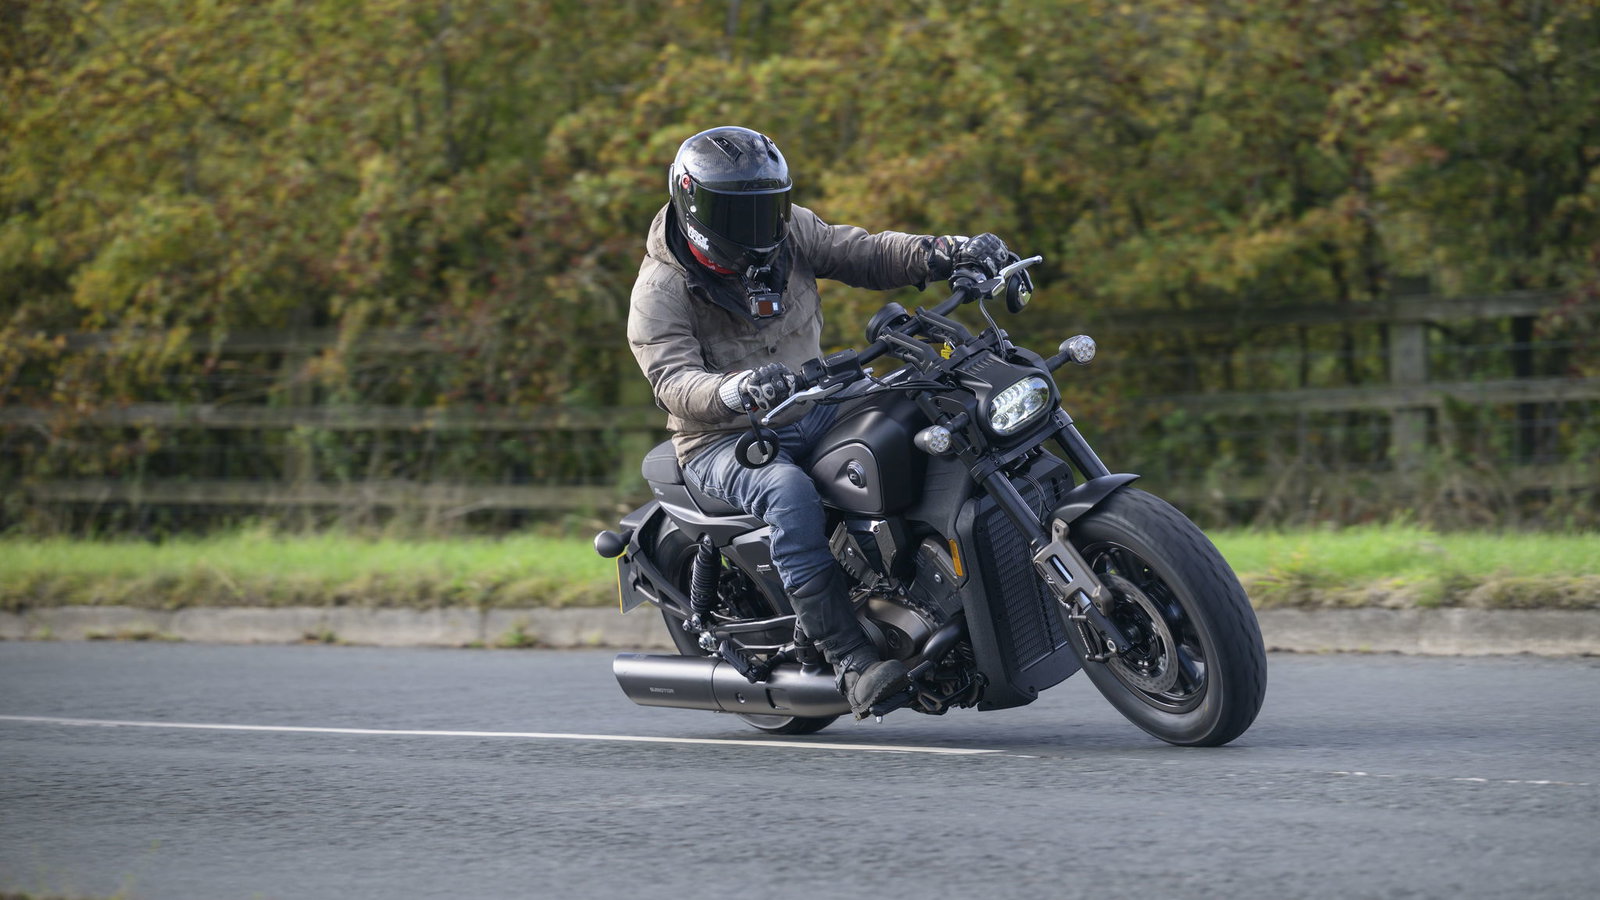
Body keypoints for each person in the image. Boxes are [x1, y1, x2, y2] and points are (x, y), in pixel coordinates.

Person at [626, 125, 1021, 718]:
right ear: (696, 208)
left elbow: (864, 252)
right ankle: (851, 658)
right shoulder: (661, 289)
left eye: (768, 207)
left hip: (813, 400)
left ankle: (936, 581)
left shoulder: (789, 233)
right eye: (740, 212)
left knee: (922, 407)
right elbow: (674, 383)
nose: (760, 225)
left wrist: (947, 250)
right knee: (788, 494)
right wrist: (737, 389)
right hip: (722, 436)